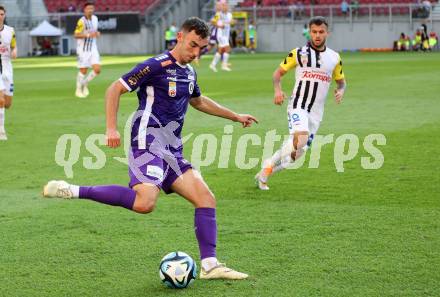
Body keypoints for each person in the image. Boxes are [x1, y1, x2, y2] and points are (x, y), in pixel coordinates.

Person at [43, 17, 257, 280]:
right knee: (145, 203)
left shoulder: (189, 72)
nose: (195, 52)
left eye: (201, 48)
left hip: (173, 149)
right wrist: (110, 128)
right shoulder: (155, 66)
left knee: (206, 199)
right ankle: (72, 190)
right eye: (192, 45)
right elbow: (114, 89)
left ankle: (210, 266)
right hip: (146, 143)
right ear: (179, 36)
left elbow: (198, 101)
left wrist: (235, 116)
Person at [255, 17, 346, 190]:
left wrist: (341, 91)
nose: (317, 35)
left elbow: (341, 82)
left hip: (316, 112)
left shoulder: (334, 58)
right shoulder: (298, 53)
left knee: (295, 156)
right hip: (298, 105)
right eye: (314, 32)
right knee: (301, 138)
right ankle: (266, 170)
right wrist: (277, 90)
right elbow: (277, 74)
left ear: (327, 33)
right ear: (309, 32)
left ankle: (266, 171)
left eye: (321, 32)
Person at [74, 2, 101, 98]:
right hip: (83, 50)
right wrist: (89, 35)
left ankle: (85, 83)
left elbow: (94, 31)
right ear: (84, 10)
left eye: (92, 8)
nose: (90, 10)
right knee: (83, 70)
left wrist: (96, 33)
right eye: (88, 8)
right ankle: (78, 90)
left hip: (93, 48)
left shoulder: (95, 19)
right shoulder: (81, 21)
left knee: (97, 70)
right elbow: (76, 35)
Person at [0, 6, 17, 141]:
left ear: (5, 15)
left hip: (7, 66)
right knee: (1, 100)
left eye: (1, 14)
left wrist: (15, 50)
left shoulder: (10, 31)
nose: (0, 16)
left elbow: (13, 45)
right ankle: (1, 131)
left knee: (7, 104)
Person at [210, 2, 234, 72]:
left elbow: (231, 23)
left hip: (226, 35)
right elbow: (213, 21)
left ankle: (213, 64)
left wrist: (232, 22)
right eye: (223, 6)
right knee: (227, 49)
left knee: (220, 51)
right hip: (221, 35)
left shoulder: (230, 14)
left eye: (225, 6)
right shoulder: (219, 14)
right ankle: (224, 65)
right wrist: (219, 26)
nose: (224, 7)